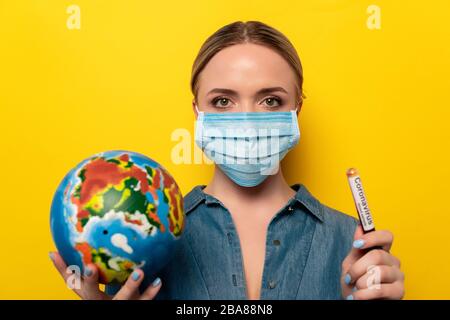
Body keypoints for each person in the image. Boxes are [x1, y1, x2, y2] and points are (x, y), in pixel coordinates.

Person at [50, 20, 404, 300]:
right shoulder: (139, 237)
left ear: (297, 109)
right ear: (197, 112)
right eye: (223, 101)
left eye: (270, 101)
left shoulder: (351, 247)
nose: (248, 120)